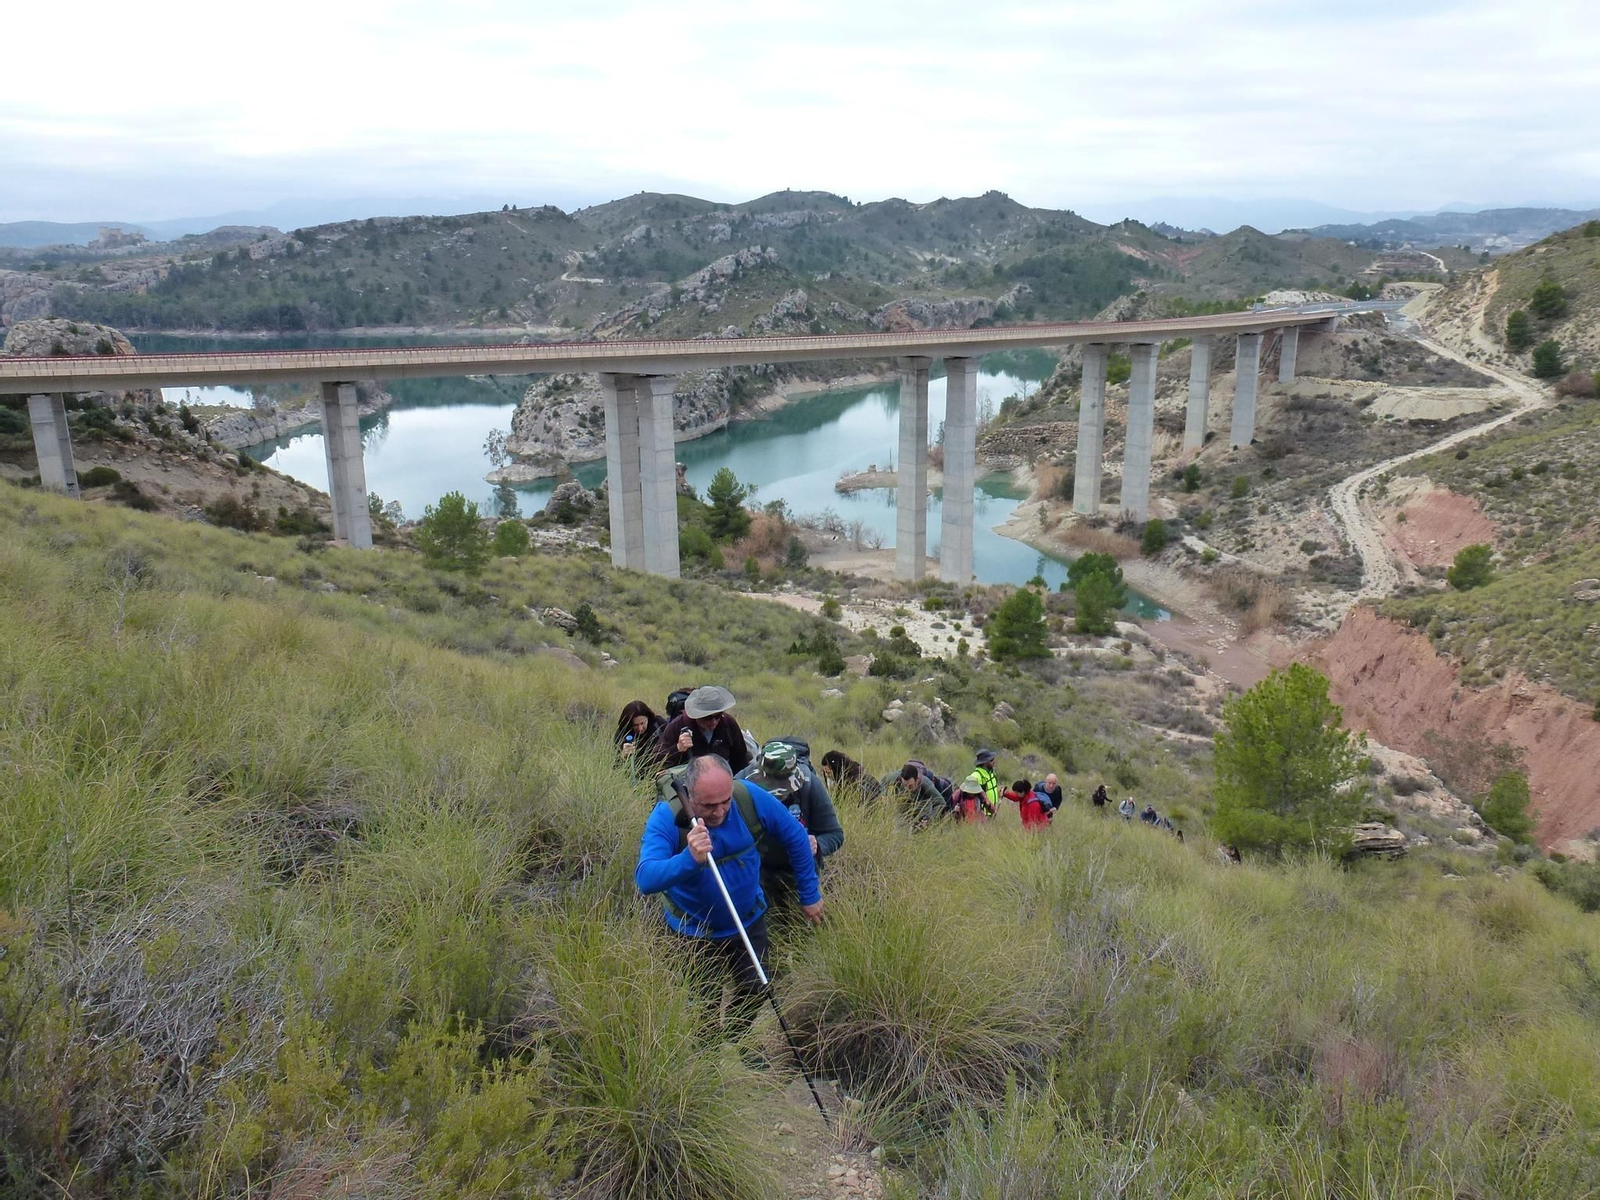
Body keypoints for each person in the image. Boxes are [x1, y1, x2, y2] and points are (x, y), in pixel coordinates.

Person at [635, 754, 822, 1036]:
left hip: (749, 920)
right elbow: (646, 878)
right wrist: (689, 858)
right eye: (709, 805)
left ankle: (737, 1040)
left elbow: (795, 836)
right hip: (694, 931)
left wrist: (809, 893)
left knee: (756, 988)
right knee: (703, 1005)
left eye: (725, 801)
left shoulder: (748, 798)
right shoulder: (666, 817)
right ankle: (710, 1061)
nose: (720, 812)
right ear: (689, 792)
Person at [738, 739, 844, 902]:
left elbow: (835, 834)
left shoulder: (809, 785)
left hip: (799, 871)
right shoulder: (741, 785)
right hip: (756, 871)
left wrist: (818, 844)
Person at [655, 685, 752, 774]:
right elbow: (655, 761)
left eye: (718, 716)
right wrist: (677, 748)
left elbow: (741, 759)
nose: (714, 722)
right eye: (707, 717)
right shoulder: (679, 724)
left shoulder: (728, 723)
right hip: (689, 783)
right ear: (696, 715)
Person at [887, 762, 949, 828]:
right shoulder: (894, 778)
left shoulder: (925, 783)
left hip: (922, 807)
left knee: (919, 828)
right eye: (904, 785)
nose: (907, 789)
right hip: (903, 807)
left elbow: (940, 802)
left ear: (917, 780)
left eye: (910, 786)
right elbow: (882, 784)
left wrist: (930, 819)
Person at [972, 749, 1001, 819]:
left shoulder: (991, 773)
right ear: (985, 762)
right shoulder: (976, 776)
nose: (994, 762)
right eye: (991, 760)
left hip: (991, 813)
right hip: (981, 816)